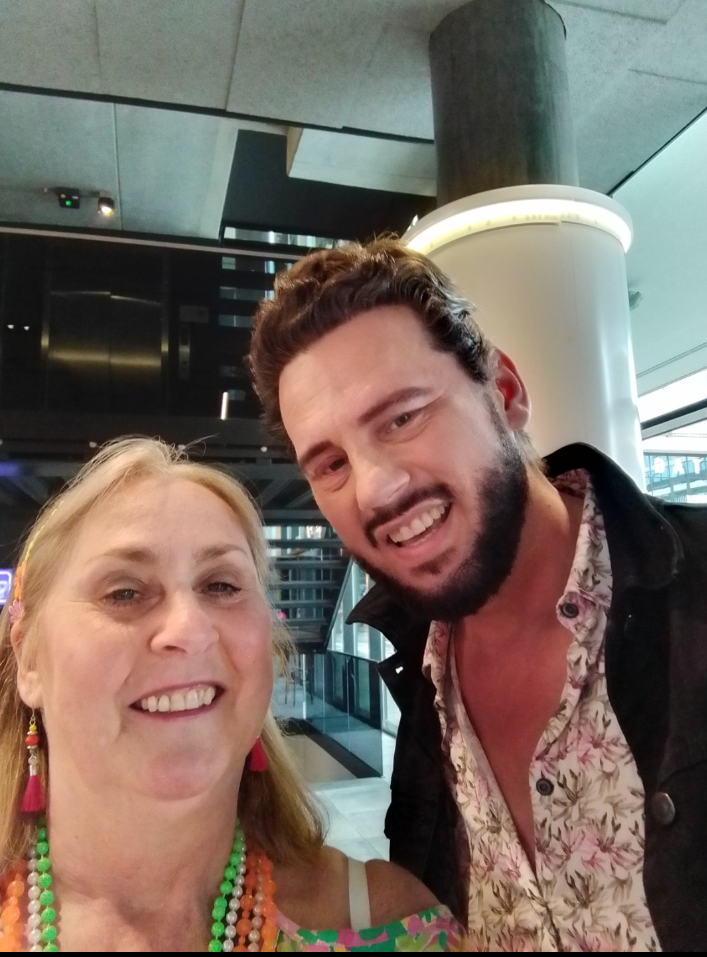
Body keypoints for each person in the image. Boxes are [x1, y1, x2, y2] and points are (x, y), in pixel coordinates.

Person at [248, 239, 707, 952]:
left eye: (402, 417)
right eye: (331, 463)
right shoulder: (419, 682)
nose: (376, 489)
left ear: (504, 393)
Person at [0, 437, 465, 953]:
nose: (190, 628)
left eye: (221, 585)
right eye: (124, 592)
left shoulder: (394, 928)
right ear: (29, 657)